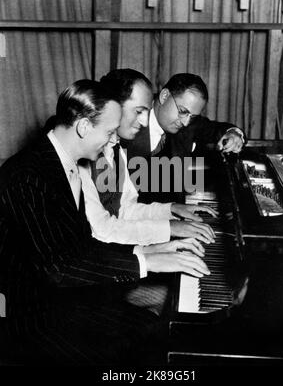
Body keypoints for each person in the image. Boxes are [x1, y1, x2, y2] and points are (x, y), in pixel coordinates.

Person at [0, 79, 210, 365]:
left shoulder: (66, 161)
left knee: (156, 332)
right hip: (27, 318)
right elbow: (59, 268)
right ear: (84, 127)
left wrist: (154, 252)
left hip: (62, 301)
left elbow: (84, 242)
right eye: (110, 132)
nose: (113, 141)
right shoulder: (27, 176)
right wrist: (148, 262)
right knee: (140, 346)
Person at [79, 69, 217, 247]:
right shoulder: (83, 155)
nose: (145, 122)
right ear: (111, 105)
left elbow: (126, 209)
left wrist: (171, 209)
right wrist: (168, 230)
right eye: (139, 111)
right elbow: (101, 229)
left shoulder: (116, 149)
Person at [121, 72, 245, 203]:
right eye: (183, 111)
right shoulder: (127, 121)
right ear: (164, 96)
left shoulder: (188, 124)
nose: (185, 122)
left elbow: (215, 129)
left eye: (192, 117)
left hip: (169, 213)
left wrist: (234, 134)